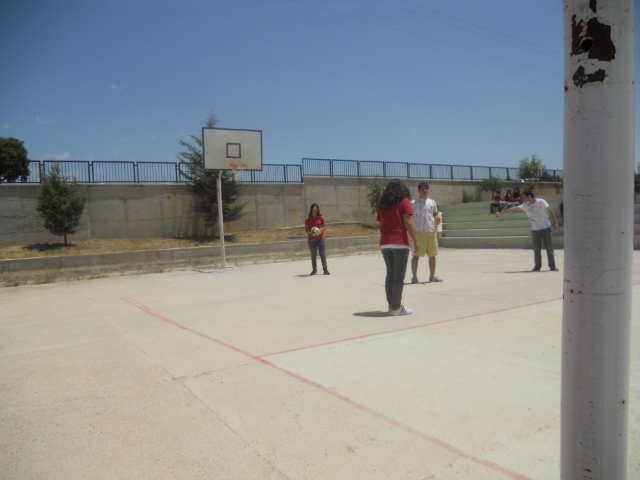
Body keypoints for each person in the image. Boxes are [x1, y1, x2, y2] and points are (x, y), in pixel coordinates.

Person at [377, 179, 419, 315]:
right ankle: (396, 307)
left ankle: (391, 306)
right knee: (398, 276)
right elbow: (406, 220)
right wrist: (415, 239)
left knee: (390, 274)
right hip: (399, 242)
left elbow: (381, 223)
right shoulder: (404, 200)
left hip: (385, 243)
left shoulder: (383, 204)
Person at [496, 190, 559, 272]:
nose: (524, 198)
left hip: (545, 228)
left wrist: (556, 222)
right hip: (535, 230)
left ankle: (552, 266)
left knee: (549, 247)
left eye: (524, 197)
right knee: (537, 249)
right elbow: (514, 208)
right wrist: (501, 213)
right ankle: (537, 266)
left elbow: (550, 211)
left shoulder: (541, 202)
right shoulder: (526, 205)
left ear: (529, 196)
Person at [410, 182, 442, 284]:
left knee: (432, 256)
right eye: (423, 188)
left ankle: (432, 276)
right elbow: (408, 216)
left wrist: (437, 218)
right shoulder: (413, 203)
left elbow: (435, 214)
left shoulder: (432, 202)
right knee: (416, 256)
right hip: (419, 232)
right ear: (419, 190)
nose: (425, 190)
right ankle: (414, 277)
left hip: (431, 232)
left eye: (426, 188)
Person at [305, 203, 329, 275]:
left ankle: (325, 270)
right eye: (314, 207)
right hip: (311, 240)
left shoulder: (321, 217)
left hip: (321, 238)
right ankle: (314, 270)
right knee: (313, 255)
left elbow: (324, 226)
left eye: (317, 207)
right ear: (311, 209)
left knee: (322, 254)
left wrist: (321, 229)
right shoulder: (308, 218)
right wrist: (309, 232)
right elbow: (306, 229)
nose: (316, 208)